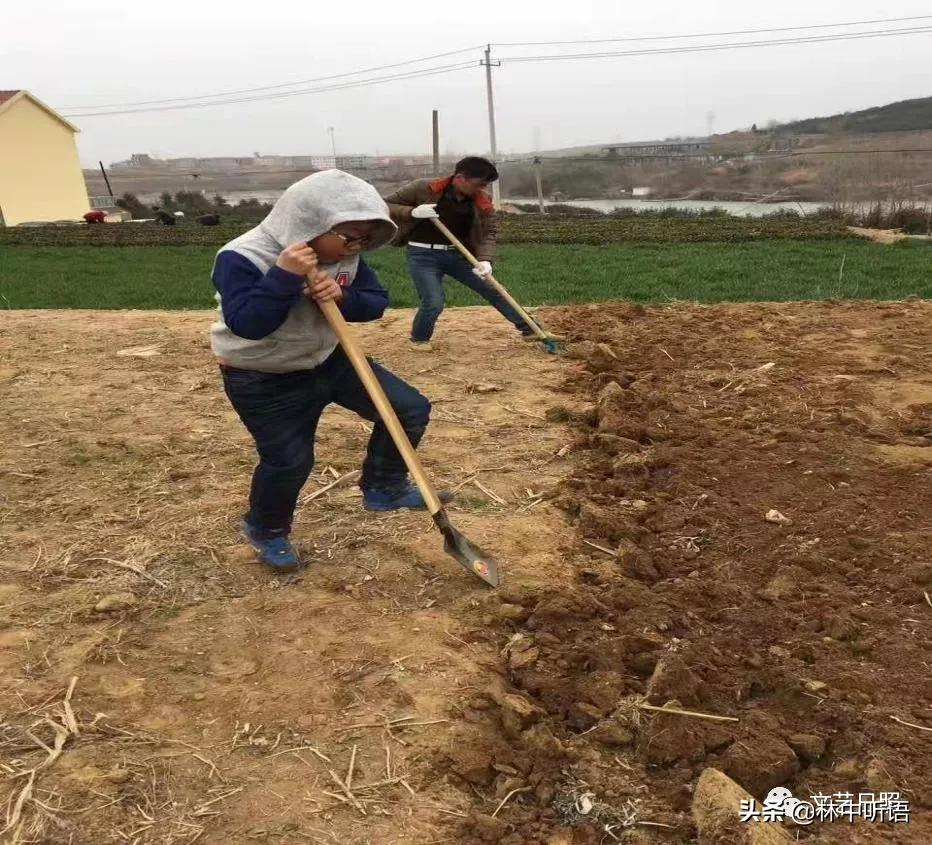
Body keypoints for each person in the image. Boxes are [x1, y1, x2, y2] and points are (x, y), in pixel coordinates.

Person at [210, 170, 448, 572]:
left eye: (363, 238)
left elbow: (374, 303)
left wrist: (344, 295)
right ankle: (265, 528)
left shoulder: (346, 257)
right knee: (290, 461)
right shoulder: (243, 256)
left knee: (407, 409)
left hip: (331, 359)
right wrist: (284, 276)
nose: (355, 247)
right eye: (348, 236)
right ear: (310, 225)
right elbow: (248, 324)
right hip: (263, 374)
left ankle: (383, 487)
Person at [384, 156, 537, 350]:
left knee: (493, 289)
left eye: (485, 185)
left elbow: (488, 231)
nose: (482, 189)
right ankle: (419, 338)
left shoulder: (481, 200)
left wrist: (485, 260)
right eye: (479, 184)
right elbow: (384, 204)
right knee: (433, 301)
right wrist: (412, 212)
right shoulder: (423, 188)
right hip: (422, 256)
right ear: (460, 178)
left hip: (458, 255)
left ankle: (530, 329)